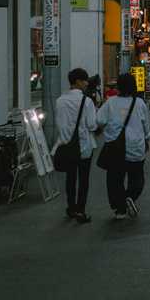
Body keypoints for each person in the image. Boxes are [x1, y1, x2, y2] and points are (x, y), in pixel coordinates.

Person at [95, 71, 150, 220]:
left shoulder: (111, 102)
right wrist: (147, 139)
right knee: (137, 176)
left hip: (115, 147)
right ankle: (130, 196)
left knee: (114, 179)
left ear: (118, 86)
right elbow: (145, 124)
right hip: (135, 145)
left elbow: (99, 120)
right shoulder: (139, 103)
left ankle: (119, 209)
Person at [53, 67, 96, 223]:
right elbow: (92, 125)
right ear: (78, 81)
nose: (86, 83)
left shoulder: (60, 101)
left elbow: (59, 124)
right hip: (84, 146)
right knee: (83, 180)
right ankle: (80, 210)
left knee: (70, 178)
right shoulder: (87, 101)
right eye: (84, 80)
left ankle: (71, 208)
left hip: (66, 145)